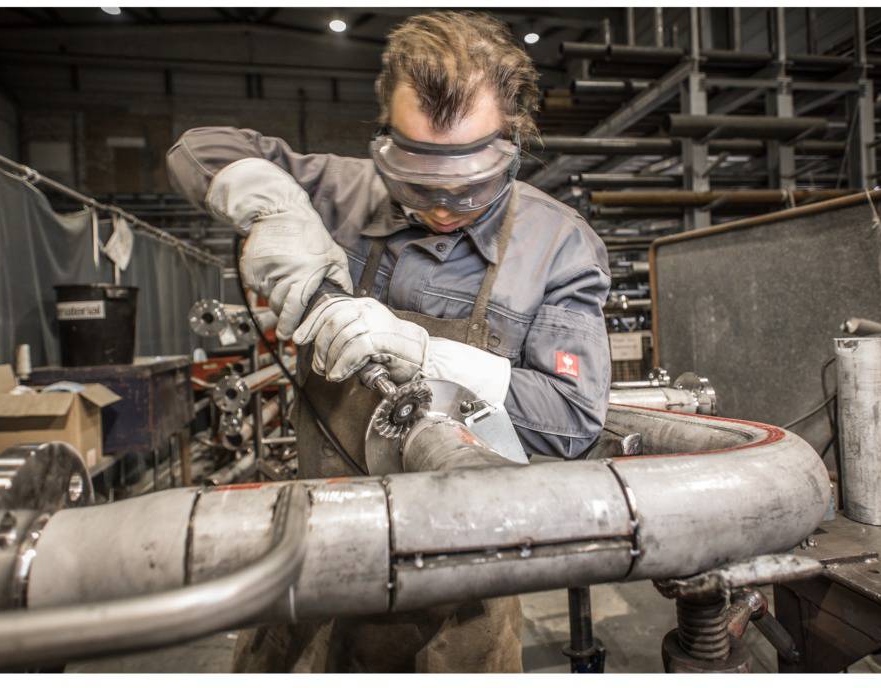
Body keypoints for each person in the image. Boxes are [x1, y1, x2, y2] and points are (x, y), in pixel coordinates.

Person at [167, 10, 611, 672]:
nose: (441, 204)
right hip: (313, 562)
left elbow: (572, 418)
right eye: (417, 175)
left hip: (459, 593)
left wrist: (424, 355)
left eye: (470, 182)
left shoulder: (557, 244)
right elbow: (197, 148)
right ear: (386, 133)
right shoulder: (344, 193)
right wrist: (275, 209)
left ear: (514, 137)